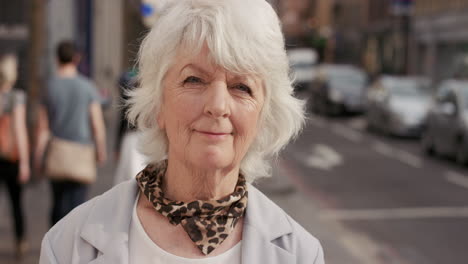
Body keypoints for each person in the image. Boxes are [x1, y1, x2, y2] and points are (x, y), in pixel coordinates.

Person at [39, 1, 325, 263]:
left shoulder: (302, 255)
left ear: (264, 114)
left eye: (241, 87)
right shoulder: (68, 244)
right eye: (195, 79)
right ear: (158, 103)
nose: (217, 106)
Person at [34, 41, 107, 226]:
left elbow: (42, 128)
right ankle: (74, 249)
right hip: (81, 153)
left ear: (57, 58)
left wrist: (37, 156)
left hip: (57, 152)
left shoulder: (49, 86)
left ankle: (55, 246)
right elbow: (97, 124)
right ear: (77, 58)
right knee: (79, 206)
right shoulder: (88, 86)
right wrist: (100, 151)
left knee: (57, 204)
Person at [0, 53, 30, 258]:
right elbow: (19, 130)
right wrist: (25, 163)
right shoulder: (16, 97)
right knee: (16, 202)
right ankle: (20, 241)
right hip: (11, 157)